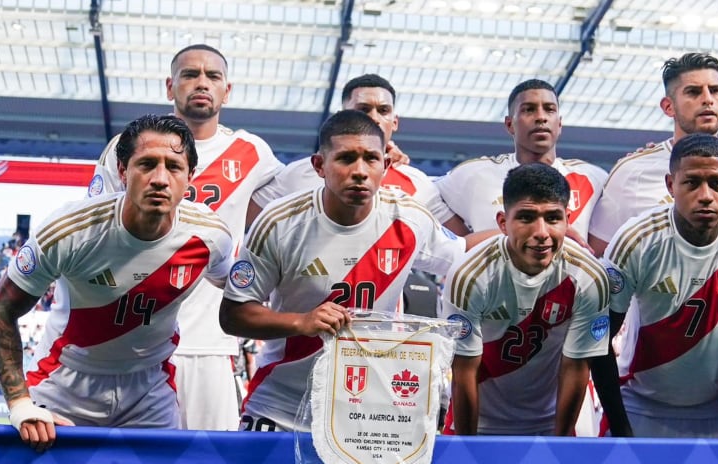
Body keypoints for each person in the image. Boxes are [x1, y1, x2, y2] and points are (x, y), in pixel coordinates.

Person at [0, 114, 234, 451]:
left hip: (150, 392)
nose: (160, 179)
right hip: (65, 385)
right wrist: (19, 404)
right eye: (146, 164)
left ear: (190, 177)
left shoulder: (211, 236)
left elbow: (237, 292)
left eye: (173, 167)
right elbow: (0, 309)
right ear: (121, 171)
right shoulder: (70, 231)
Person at [219, 110, 465, 432]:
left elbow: (466, 257)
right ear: (319, 166)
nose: (360, 171)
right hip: (281, 403)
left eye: (371, 159)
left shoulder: (411, 219)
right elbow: (233, 314)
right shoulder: (279, 222)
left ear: (386, 166)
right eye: (346, 158)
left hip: (367, 409)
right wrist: (301, 322)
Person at [89, 44, 282, 431]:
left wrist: (387, 158)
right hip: (134, 342)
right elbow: (95, 227)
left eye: (212, 76)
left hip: (209, 344)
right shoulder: (129, 146)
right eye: (189, 74)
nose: (201, 83)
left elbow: (312, 189)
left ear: (227, 91)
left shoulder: (251, 152)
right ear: (169, 86)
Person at [593, 134, 718, 438]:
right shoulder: (636, 241)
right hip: (639, 405)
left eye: (717, 183)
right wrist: (622, 428)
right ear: (670, 185)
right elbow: (600, 342)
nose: (705, 195)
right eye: (692, 183)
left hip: (717, 407)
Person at [442, 163, 610, 436]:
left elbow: (576, 367)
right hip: (479, 421)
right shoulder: (469, 275)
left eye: (553, 218)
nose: (541, 232)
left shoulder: (589, 276)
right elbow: (464, 373)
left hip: (550, 422)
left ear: (568, 219)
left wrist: (560, 441)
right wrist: (469, 447)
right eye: (527, 217)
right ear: (502, 222)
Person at [588, 52, 718, 256]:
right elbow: (600, 255)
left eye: (715, 91)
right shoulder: (630, 171)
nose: (707, 99)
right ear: (668, 106)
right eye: (693, 92)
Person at [428, 79, 608, 241]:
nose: (541, 117)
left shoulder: (594, 178)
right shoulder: (475, 175)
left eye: (549, 109)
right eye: (529, 109)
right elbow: (420, 194)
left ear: (559, 124)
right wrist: (463, 243)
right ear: (509, 125)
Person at [250, 74, 439, 212]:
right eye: (363, 109)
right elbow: (240, 217)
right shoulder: (297, 174)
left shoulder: (417, 182)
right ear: (342, 115)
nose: (374, 118)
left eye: (383, 110)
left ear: (395, 122)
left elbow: (455, 246)